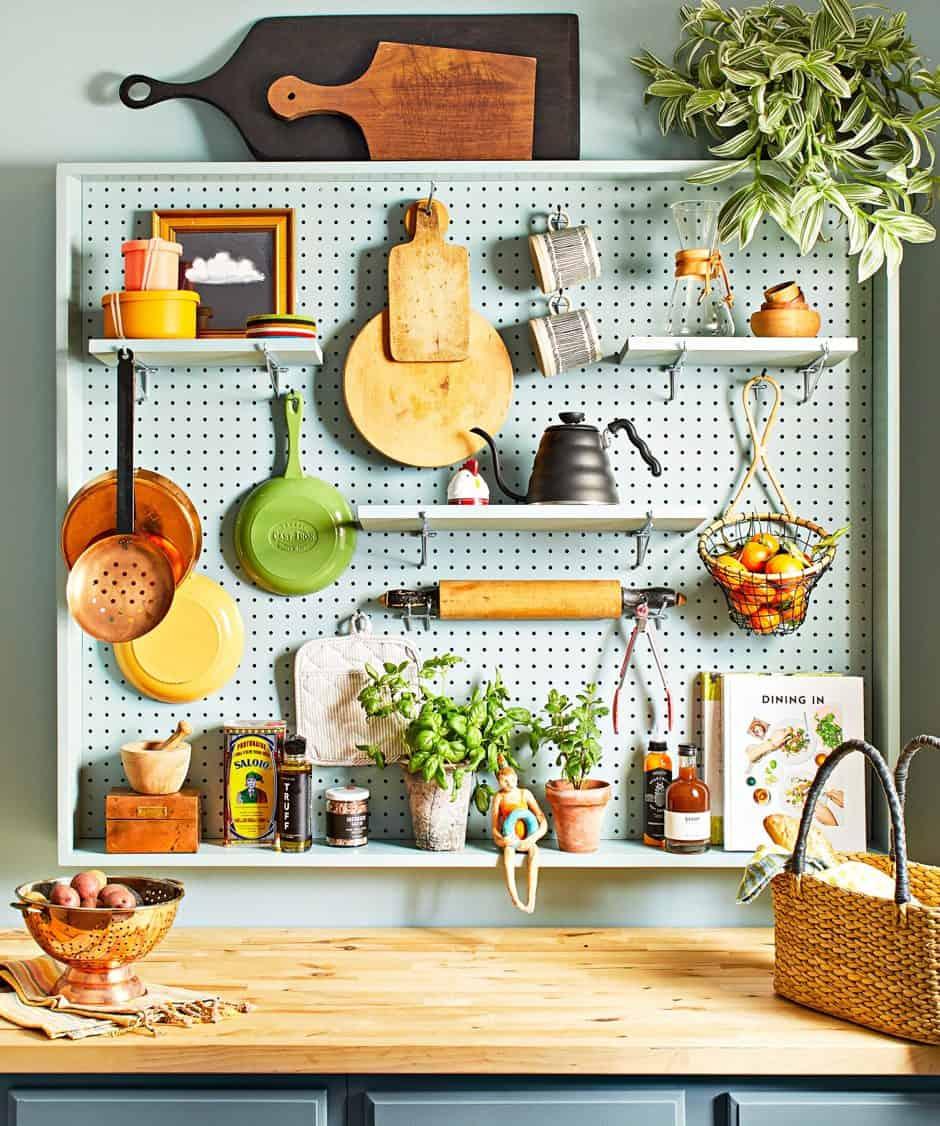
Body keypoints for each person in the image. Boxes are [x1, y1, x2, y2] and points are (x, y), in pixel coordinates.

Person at [490, 760, 547, 914]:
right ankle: (515, 898)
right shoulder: (499, 797)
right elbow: (494, 828)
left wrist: (533, 838)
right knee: (508, 858)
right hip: (510, 840)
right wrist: (502, 840)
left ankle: (531, 901)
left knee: (535, 857)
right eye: (505, 781)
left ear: (516, 778)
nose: (509, 784)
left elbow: (542, 820)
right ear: (499, 782)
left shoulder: (525, 794)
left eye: (512, 780)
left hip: (528, 838)